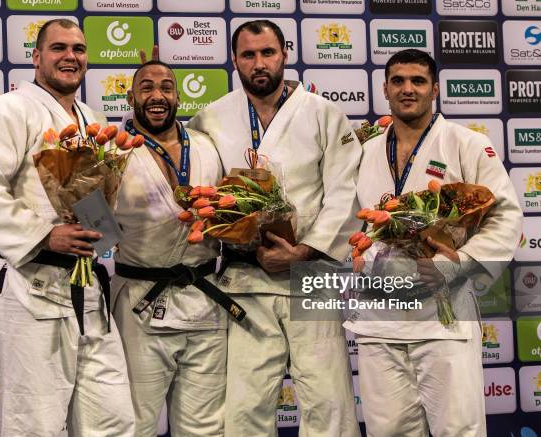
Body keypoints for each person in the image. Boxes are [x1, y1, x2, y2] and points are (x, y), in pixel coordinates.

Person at [0, 19, 135, 436]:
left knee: (111, 419)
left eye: (78, 49)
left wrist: (99, 229)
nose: (70, 56)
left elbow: (92, 195)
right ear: (36, 57)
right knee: (33, 423)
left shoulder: (91, 117)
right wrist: (43, 234)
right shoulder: (7, 109)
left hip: (86, 288)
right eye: (58, 48)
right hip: (30, 285)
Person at [188, 19, 362, 437]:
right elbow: (200, 189)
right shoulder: (211, 117)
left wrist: (304, 251)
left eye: (267, 53)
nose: (259, 63)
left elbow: (346, 191)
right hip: (245, 278)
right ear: (234, 61)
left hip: (309, 277)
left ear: (284, 53)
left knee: (329, 402)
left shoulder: (323, 113)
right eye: (248, 55)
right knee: (246, 407)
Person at [343, 49, 523, 437]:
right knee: (387, 431)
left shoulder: (465, 144)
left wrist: (457, 264)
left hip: (443, 316)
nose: (408, 89)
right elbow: (348, 219)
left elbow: (506, 214)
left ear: (435, 89)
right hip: (380, 319)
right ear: (385, 89)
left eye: (418, 81)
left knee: (458, 430)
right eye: (398, 81)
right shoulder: (365, 151)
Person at [113, 60, 239, 436]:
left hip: (204, 303)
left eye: (166, 87)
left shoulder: (207, 147)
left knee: (206, 427)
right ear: (131, 96)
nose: (157, 95)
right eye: (146, 87)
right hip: (141, 302)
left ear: (178, 96)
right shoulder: (111, 153)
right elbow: (92, 227)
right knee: (136, 422)